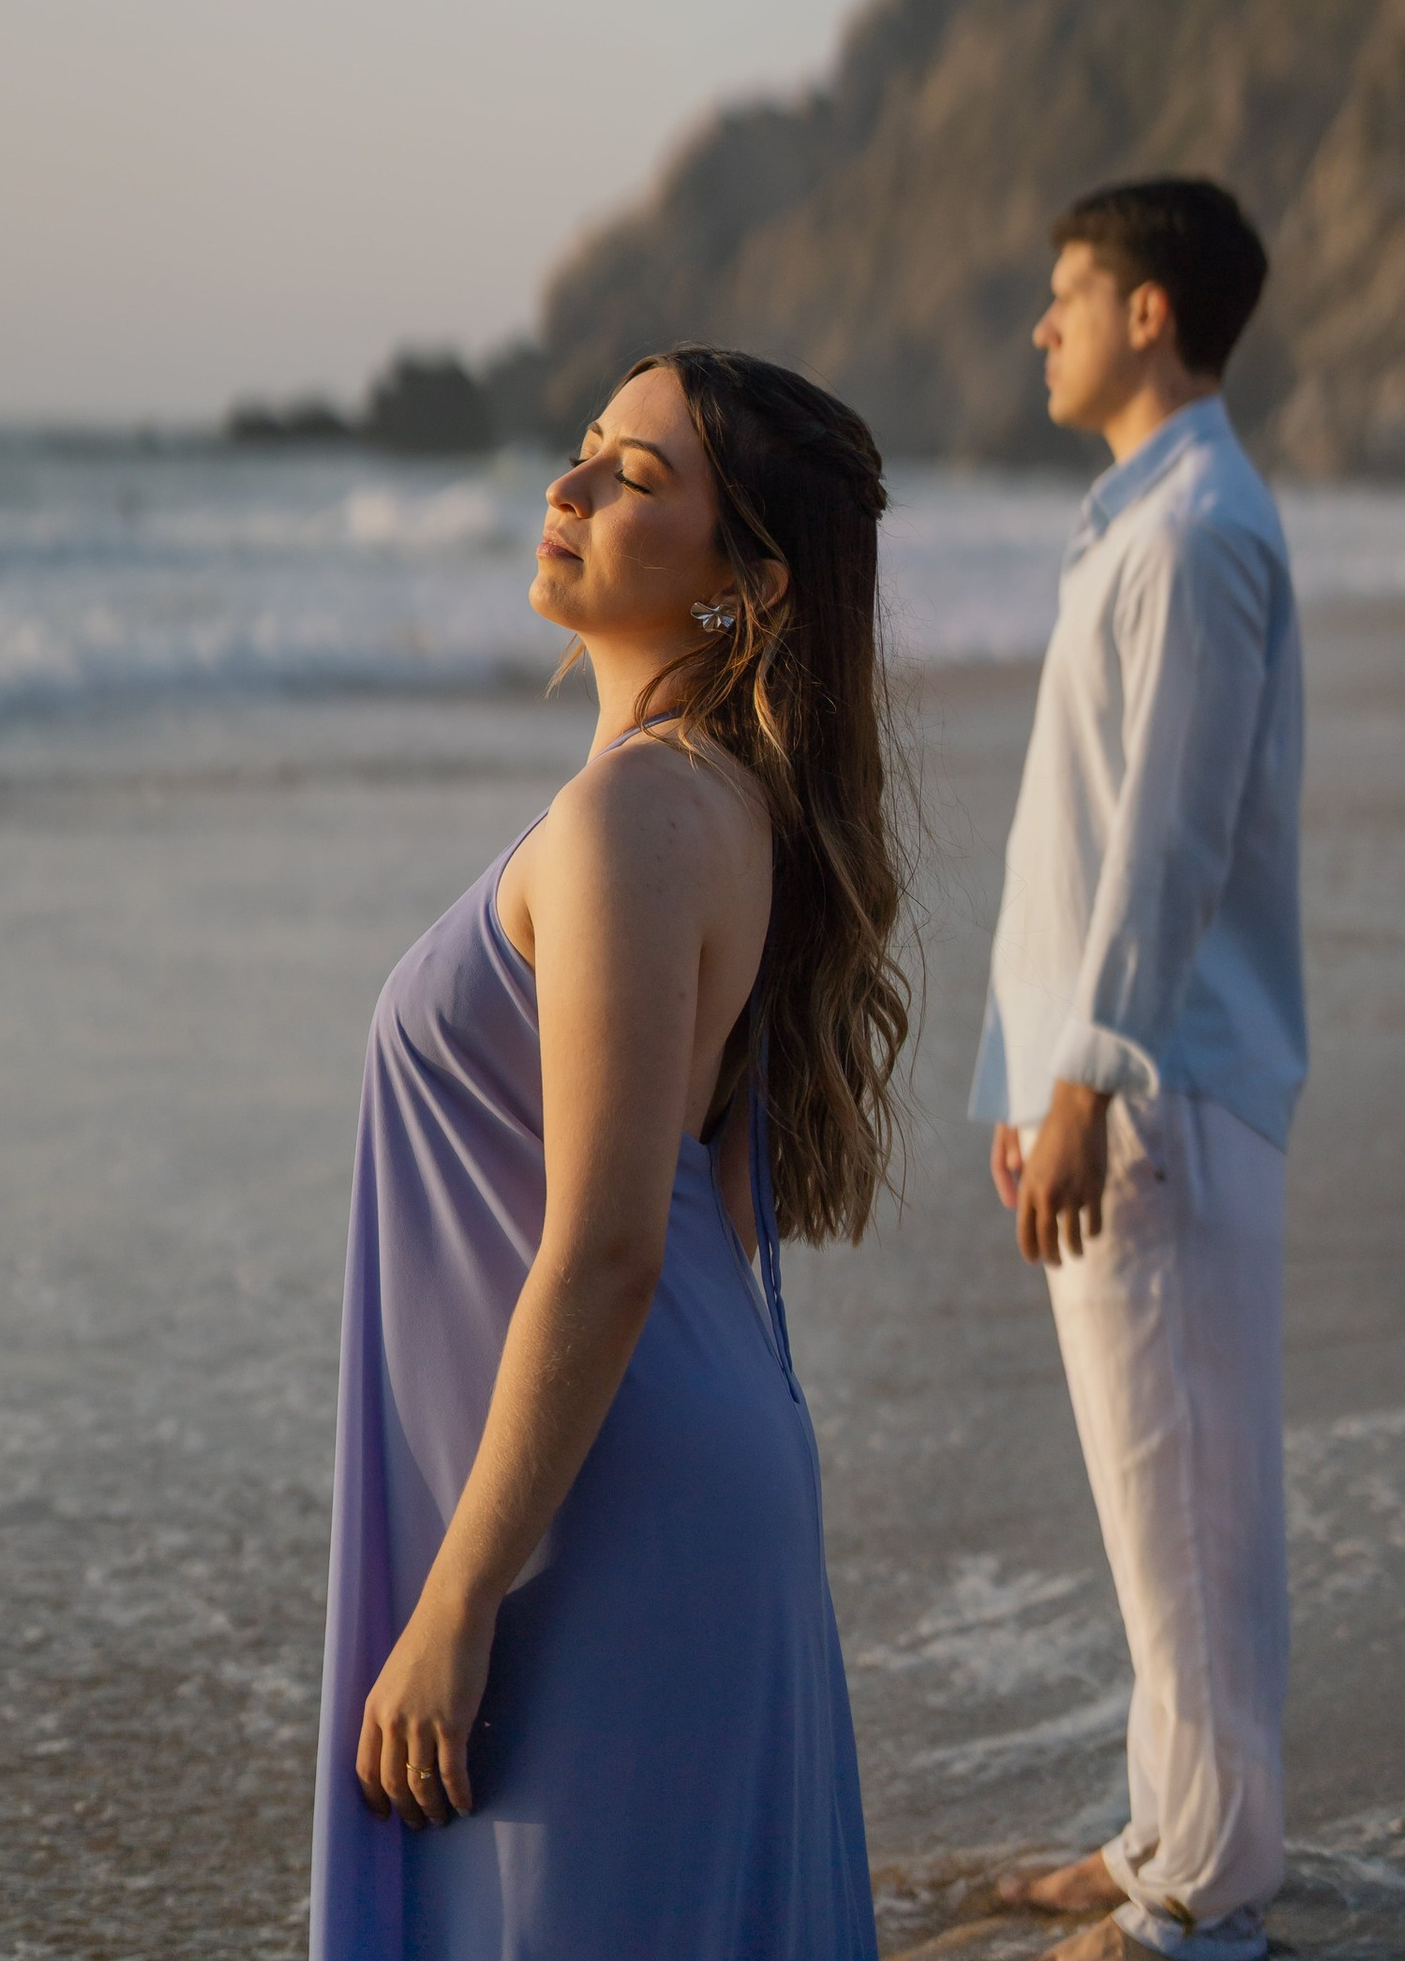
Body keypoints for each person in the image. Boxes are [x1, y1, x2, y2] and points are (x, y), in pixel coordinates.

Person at [308, 345, 907, 1961]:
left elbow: (611, 1245)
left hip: (599, 1503)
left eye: (636, 478)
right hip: (656, 1462)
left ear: (747, 586)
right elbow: (704, 1209)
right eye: (582, 453)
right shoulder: (711, 805)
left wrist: (458, 1595)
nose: (566, 489)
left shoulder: (635, 819)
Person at [977, 179, 1304, 1961]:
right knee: (1157, 1502)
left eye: (1067, 291)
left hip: (1160, 1094)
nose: (1045, 324)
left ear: (1151, 311)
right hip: (1118, 1085)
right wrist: (1033, 1083)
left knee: (1191, 1512)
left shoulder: (1192, 535)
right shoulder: (1151, 524)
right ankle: (1168, 1835)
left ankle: (1204, 1901)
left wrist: (1089, 1077)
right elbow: (1080, 842)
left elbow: (1167, 846)